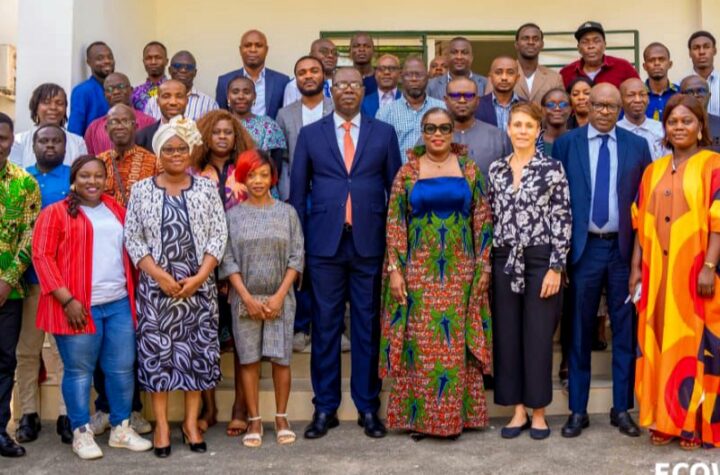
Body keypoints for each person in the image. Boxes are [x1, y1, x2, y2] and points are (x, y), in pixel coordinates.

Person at [290, 67, 401, 440]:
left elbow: (396, 192)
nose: (348, 90)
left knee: (367, 327)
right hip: (324, 245)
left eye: (355, 84)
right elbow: (297, 195)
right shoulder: (311, 134)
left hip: (370, 243)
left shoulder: (383, 133)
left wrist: (394, 249)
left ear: (362, 90)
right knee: (325, 327)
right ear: (331, 90)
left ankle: (368, 407)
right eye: (341, 85)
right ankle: (325, 408)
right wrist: (300, 248)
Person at [380, 107, 492, 439]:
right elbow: (395, 224)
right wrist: (395, 271)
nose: (438, 134)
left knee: (454, 347)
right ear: (423, 131)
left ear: (453, 131)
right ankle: (421, 419)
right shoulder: (408, 171)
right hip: (419, 273)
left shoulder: (469, 169)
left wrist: (484, 265)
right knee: (421, 345)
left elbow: (482, 220)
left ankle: (456, 419)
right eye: (431, 128)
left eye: (444, 128)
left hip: (460, 273)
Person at [31, 155, 152, 460]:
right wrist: (67, 300)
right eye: (85, 175)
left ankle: (121, 428)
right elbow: (42, 257)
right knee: (79, 372)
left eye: (98, 175)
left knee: (122, 369)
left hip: (118, 303)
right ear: (74, 179)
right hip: (77, 307)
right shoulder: (55, 213)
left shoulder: (116, 209)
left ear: (105, 179)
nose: (92, 181)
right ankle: (81, 432)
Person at [553, 83, 652, 439]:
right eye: (599, 105)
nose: (605, 112)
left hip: (624, 251)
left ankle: (621, 409)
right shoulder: (567, 144)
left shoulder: (637, 146)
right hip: (584, 250)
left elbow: (645, 203)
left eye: (612, 106)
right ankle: (578, 410)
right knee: (579, 330)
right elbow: (557, 199)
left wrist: (640, 256)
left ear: (620, 107)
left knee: (624, 331)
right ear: (587, 106)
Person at [124, 116, 227, 457]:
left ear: (190, 151)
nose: (176, 154)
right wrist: (160, 277)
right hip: (157, 291)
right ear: (159, 153)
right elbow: (133, 239)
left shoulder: (206, 189)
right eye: (168, 149)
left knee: (196, 356)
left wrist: (199, 277)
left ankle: (191, 423)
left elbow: (218, 235)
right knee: (158, 358)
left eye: (181, 148)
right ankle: (163, 427)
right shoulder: (141, 190)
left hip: (198, 289)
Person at [630, 93, 720, 450]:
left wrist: (709, 266)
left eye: (687, 121)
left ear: (700, 126)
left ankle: (693, 425)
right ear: (664, 128)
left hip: (695, 272)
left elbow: (718, 221)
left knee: (694, 346)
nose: (679, 127)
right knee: (660, 342)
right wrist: (636, 268)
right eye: (672, 122)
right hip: (656, 274)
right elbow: (640, 222)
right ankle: (665, 420)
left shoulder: (714, 165)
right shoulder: (653, 170)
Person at [489, 103, 571, 441]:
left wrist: (556, 266)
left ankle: (539, 412)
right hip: (504, 259)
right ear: (508, 129)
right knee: (508, 336)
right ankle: (518, 410)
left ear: (538, 131)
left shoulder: (552, 168)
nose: (522, 131)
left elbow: (563, 218)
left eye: (529, 125)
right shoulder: (496, 169)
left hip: (541, 260)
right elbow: (490, 217)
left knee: (537, 337)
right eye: (517, 125)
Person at [220, 149, 304, 448]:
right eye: (251, 175)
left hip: (281, 298)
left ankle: (281, 418)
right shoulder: (232, 216)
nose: (258, 181)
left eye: (264, 175)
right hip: (245, 299)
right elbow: (227, 259)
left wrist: (279, 296)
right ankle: (254, 421)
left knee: (281, 359)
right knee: (248, 359)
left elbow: (297, 256)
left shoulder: (287, 213)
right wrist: (246, 298)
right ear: (243, 178)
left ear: (273, 178)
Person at [191, 109, 255, 437]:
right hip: (202, 268)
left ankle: (241, 408)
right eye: (215, 132)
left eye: (227, 132)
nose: (221, 137)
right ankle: (209, 408)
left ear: (236, 136)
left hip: (242, 266)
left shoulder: (248, 170)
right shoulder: (192, 171)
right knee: (205, 340)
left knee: (244, 341)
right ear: (206, 136)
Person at [14, 125, 71, 446]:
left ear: (65, 145)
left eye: (56, 141)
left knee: (64, 353)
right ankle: (28, 414)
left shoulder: (74, 178)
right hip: (29, 282)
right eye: (44, 141)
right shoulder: (23, 179)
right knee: (27, 352)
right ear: (34, 145)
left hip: (64, 284)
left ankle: (66, 414)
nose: (50, 146)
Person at [276, 56, 334, 355]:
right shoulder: (285, 114)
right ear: (295, 79)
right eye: (302, 72)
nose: (308, 76)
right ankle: (301, 327)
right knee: (300, 259)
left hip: (331, 197)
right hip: (297, 198)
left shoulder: (337, 109)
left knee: (329, 259)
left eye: (314, 71)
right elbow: (282, 159)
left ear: (324, 75)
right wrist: (288, 196)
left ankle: (331, 327)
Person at [0, 113, 41, 458]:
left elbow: (29, 236)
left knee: (4, 362)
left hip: (8, 292)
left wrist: (7, 280)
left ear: (12, 141)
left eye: (2, 138)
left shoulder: (25, 183)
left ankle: (0, 430)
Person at [376, 56, 445, 161]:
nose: (414, 79)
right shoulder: (384, 113)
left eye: (419, 75)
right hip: (398, 171)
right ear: (401, 77)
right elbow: (379, 152)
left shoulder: (442, 109)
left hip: (435, 170)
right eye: (408, 75)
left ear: (427, 77)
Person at [216, 29, 290, 120]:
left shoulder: (281, 81)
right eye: (247, 45)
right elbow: (221, 116)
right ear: (240, 50)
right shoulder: (224, 81)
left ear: (266, 50)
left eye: (258, 45)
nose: (253, 50)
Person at [10, 83, 88, 168]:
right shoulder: (19, 141)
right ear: (35, 107)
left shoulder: (78, 143)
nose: (53, 107)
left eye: (59, 103)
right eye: (46, 102)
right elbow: (14, 173)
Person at [96, 104, 159, 209]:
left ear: (136, 127)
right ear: (106, 129)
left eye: (126, 121)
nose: (119, 127)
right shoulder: (98, 162)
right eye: (114, 122)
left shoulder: (154, 163)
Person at [445, 77, 510, 175]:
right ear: (446, 100)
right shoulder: (431, 137)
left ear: (477, 101)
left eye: (469, 95)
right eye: (455, 95)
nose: (462, 100)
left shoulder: (498, 137)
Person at [84, 73, 155, 155]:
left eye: (121, 87)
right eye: (110, 89)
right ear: (104, 94)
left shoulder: (149, 122)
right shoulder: (93, 129)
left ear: (131, 90)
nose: (116, 92)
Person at [226, 76, 286, 173]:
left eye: (246, 92)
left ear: (254, 96)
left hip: (259, 179)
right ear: (228, 96)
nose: (241, 96)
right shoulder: (219, 124)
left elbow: (276, 166)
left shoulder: (268, 125)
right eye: (235, 92)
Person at [559, 21, 639, 89]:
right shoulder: (566, 73)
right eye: (585, 42)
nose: (591, 46)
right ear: (579, 48)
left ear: (604, 45)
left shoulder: (624, 67)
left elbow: (639, 93)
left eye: (596, 41)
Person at [145, 51, 218, 121]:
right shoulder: (153, 102)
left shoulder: (209, 104)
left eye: (189, 67)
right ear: (170, 70)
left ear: (195, 73)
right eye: (177, 66)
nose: (183, 70)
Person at [508, 23, 564, 104]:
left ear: (542, 45)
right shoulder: (502, 75)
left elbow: (561, 107)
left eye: (536, 39)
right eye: (525, 38)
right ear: (516, 44)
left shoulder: (555, 78)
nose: (531, 42)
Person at [68, 42, 115, 136]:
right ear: (89, 62)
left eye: (110, 57)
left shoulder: (122, 89)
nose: (107, 61)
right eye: (100, 58)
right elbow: (74, 132)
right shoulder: (82, 91)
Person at [617, 78, 668, 160]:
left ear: (648, 99)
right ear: (620, 101)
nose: (638, 100)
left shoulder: (661, 130)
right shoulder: (614, 131)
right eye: (631, 95)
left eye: (642, 95)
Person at [135, 79, 188, 152]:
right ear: (158, 101)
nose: (173, 102)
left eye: (179, 96)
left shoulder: (199, 134)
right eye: (166, 96)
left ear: (187, 101)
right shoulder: (142, 137)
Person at [283, 39, 337, 107]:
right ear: (311, 55)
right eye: (324, 51)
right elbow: (289, 112)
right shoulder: (294, 85)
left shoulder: (344, 82)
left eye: (334, 53)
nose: (331, 56)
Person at [476, 56, 523, 131]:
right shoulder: (477, 105)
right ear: (490, 77)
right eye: (498, 72)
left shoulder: (527, 106)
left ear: (517, 78)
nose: (504, 78)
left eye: (510, 73)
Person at [680, 75, 720, 152]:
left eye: (701, 91)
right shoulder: (674, 126)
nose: (695, 95)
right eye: (689, 92)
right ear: (681, 96)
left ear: (709, 95)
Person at [642, 42, 678, 121]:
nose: (657, 63)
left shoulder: (681, 93)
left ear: (670, 64)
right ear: (645, 66)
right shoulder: (637, 97)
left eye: (661, 59)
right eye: (651, 60)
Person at [688, 31, 719, 116]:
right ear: (690, 53)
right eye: (696, 48)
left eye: (706, 47)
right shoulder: (681, 86)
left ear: (715, 51)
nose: (701, 52)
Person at [132, 41, 168, 112]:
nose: (153, 62)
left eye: (158, 58)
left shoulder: (175, 89)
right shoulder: (135, 93)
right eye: (148, 58)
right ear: (143, 62)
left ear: (166, 61)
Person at [540, 88, 572, 157]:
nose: (557, 108)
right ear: (543, 110)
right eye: (551, 105)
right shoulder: (533, 141)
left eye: (563, 104)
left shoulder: (578, 141)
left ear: (570, 109)